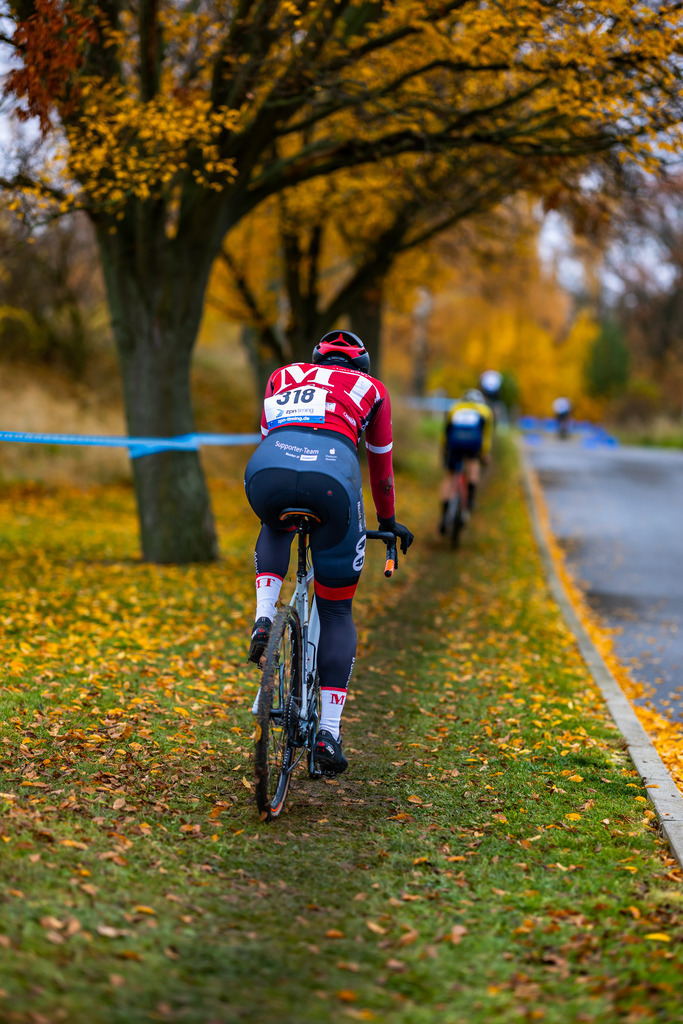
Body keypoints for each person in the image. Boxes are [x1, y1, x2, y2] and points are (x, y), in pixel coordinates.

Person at [243, 330, 414, 776]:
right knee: (337, 611)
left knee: (275, 517)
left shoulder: (283, 375)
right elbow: (381, 466)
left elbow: (270, 437)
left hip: (268, 469)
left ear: (316, 357)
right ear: (364, 367)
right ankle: (329, 732)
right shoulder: (372, 390)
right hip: (334, 479)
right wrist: (388, 520)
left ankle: (265, 615)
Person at [439, 387, 494, 532]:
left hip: (454, 443)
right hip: (473, 443)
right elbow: (486, 436)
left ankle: (444, 514)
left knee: (449, 475)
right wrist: (485, 453)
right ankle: (469, 501)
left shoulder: (454, 408)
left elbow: (446, 431)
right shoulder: (485, 411)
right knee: (473, 463)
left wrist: (445, 449)